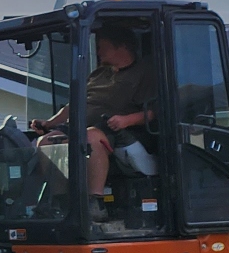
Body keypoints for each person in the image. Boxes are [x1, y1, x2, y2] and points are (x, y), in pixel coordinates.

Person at [30, 29, 155, 216]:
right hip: (79, 127)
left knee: (90, 136)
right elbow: (76, 104)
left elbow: (154, 112)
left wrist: (126, 120)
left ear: (121, 47)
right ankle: (59, 202)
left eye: (102, 47)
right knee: (47, 142)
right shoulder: (99, 73)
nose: (98, 52)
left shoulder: (143, 73)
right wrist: (49, 123)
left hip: (117, 129)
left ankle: (94, 202)